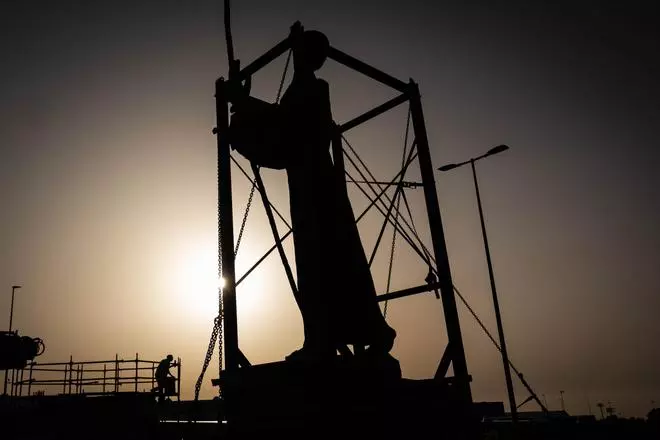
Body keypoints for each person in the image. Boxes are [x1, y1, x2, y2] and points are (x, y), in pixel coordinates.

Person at [227, 23, 396, 364]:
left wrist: (244, 104)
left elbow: (286, 122)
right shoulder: (301, 90)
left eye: (299, 50)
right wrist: (243, 110)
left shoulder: (315, 90)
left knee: (324, 258)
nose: (294, 56)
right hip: (307, 181)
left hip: (317, 182)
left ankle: (339, 337)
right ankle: (322, 337)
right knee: (314, 260)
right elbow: (282, 129)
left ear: (309, 55)